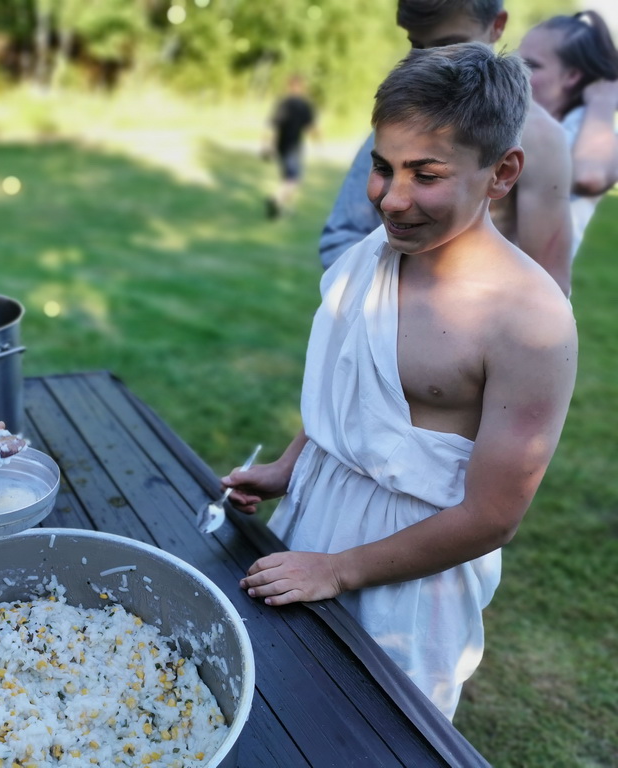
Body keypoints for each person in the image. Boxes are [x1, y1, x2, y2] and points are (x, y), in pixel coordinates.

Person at [222, 43, 577, 720]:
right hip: (314, 519)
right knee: (275, 703)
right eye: (383, 167)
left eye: (426, 174)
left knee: (371, 730)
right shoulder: (375, 255)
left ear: (502, 173)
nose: (392, 198)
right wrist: (291, 467)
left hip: (414, 580)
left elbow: (493, 516)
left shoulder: (530, 323)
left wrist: (339, 570)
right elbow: (351, 388)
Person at [317, 0, 574, 298]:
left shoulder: (541, 139)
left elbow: (551, 285)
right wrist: (383, 309)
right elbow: (343, 234)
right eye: (417, 45)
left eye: (449, 44)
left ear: (497, 26)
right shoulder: (399, 122)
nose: (430, 59)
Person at [518, 10, 618, 259]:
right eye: (516, 61)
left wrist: (602, 102)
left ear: (572, 76)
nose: (517, 72)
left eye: (531, 65)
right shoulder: (516, 120)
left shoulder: (589, 129)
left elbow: (589, 177)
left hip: (534, 277)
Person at [263, 74, 316, 219]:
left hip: (281, 146)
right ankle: (275, 199)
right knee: (293, 180)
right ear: (301, 87)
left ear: (289, 86)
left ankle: (284, 208)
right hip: (294, 146)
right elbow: (311, 126)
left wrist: (268, 145)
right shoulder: (303, 105)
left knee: (286, 178)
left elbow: (273, 125)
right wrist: (319, 143)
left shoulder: (283, 103)